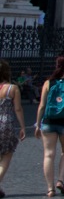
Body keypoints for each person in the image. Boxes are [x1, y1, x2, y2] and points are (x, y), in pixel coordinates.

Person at [35, 55, 64, 198]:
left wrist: (38, 124)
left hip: (49, 121)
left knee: (48, 154)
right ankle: (60, 181)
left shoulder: (48, 82)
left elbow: (42, 105)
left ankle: (50, 189)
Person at [0, 60, 28, 197]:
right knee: (6, 155)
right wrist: (23, 127)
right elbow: (17, 108)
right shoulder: (12, 88)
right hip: (6, 124)